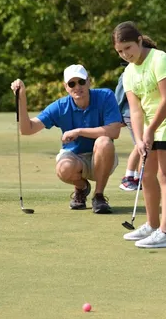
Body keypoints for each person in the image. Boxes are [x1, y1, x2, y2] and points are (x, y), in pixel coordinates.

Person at [112, 21, 166, 249]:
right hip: (148, 127)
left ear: (138, 40)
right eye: (120, 51)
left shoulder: (160, 59)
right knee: (146, 176)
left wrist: (151, 130)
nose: (125, 54)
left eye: (128, 48)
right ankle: (152, 225)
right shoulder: (128, 73)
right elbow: (135, 110)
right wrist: (139, 138)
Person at [10, 64, 122, 214]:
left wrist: (79, 131)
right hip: (75, 157)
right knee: (64, 168)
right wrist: (22, 98)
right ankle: (81, 188)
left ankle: (99, 196)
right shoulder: (60, 106)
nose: (77, 87)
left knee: (104, 141)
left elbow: (114, 131)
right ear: (66, 87)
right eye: (72, 83)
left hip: (102, 157)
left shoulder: (105, 96)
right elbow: (27, 129)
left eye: (81, 82)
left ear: (89, 82)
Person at [115, 70, 141, 192]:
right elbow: (119, 97)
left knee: (143, 146)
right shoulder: (126, 74)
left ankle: (137, 177)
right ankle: (127, 178)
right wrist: (117, 117)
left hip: (144, 114)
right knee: (140, 144)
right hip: (130, 114)